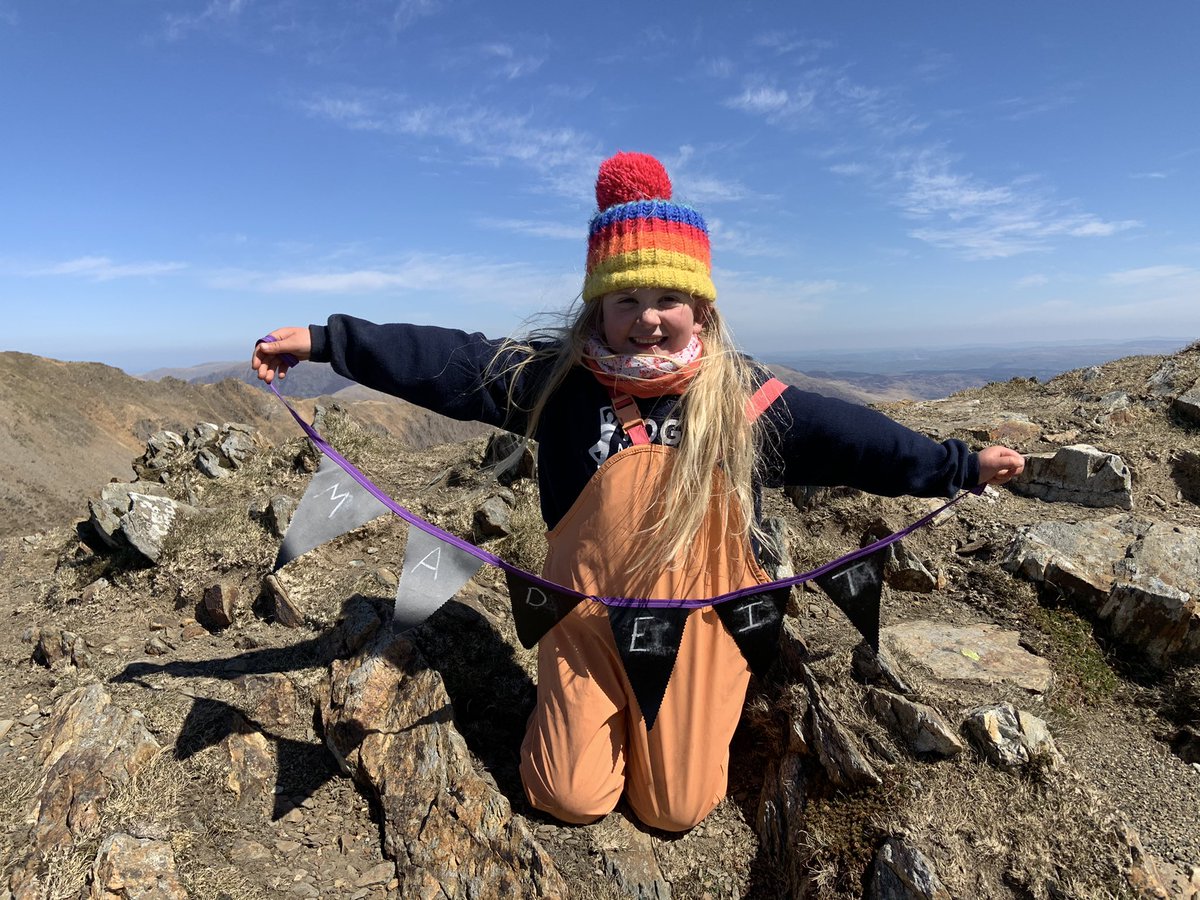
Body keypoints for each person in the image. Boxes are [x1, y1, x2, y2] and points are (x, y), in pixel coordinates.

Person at [252, 151, 1025, 832]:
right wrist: (326, 341)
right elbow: (444, 361)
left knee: (675, 810)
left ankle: (660, 728)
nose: (648, 318)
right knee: (565, 793)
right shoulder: (556, 383)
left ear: (700, 305)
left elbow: (856, 439)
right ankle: (598, 721)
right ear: (598, 304)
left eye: (667, 297)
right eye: (626, 300)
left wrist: (959, 464)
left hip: (701, 626)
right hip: (584, 623)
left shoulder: (743, 397)